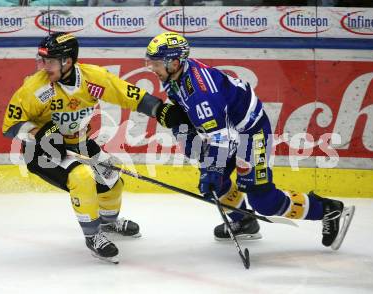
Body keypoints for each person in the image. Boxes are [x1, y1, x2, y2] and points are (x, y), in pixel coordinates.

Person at [148, 32, 355, 250]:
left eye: (156, 63)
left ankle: (327, 209)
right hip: (229, 130)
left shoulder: (201, 91)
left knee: (263, 202)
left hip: (250, 133)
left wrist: (212, 170)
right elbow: (192, 114)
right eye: (150, 62)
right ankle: (244, 221)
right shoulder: (175, 77)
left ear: (174, 62)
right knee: (215, 181)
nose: (152, 68)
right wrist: (187, 134)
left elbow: (221, 137)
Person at [2, 32, 162, 263]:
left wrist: (161, 110)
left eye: (50, 61)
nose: (43, 67)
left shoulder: (93, 78)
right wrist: (40, 133)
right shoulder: (34, 88)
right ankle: (93, 235)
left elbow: (129, 94)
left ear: (67, 61)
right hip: (41, 150)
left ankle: (107, 222)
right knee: (82, 177)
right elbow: (10, 125)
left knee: (111, 177)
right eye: (42, 60)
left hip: (79, 143)